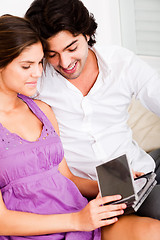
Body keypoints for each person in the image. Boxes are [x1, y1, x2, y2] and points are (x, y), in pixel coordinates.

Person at [25, 0, 160, 221]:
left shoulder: (120, 62)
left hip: (139, 173)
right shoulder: (36, 80)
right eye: (52, 54)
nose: (65, 62)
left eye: (71, 48)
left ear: (87, 33)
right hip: (86, 192)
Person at [0, 14, 130, 240]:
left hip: (80, 216)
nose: (38, 73)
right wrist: (78, 220)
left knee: (152, 229)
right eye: (26, 65)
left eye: (40, 62)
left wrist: (115, 186)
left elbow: (65, 177)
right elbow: (3, 222)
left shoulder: (42, 110)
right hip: (38, 231)